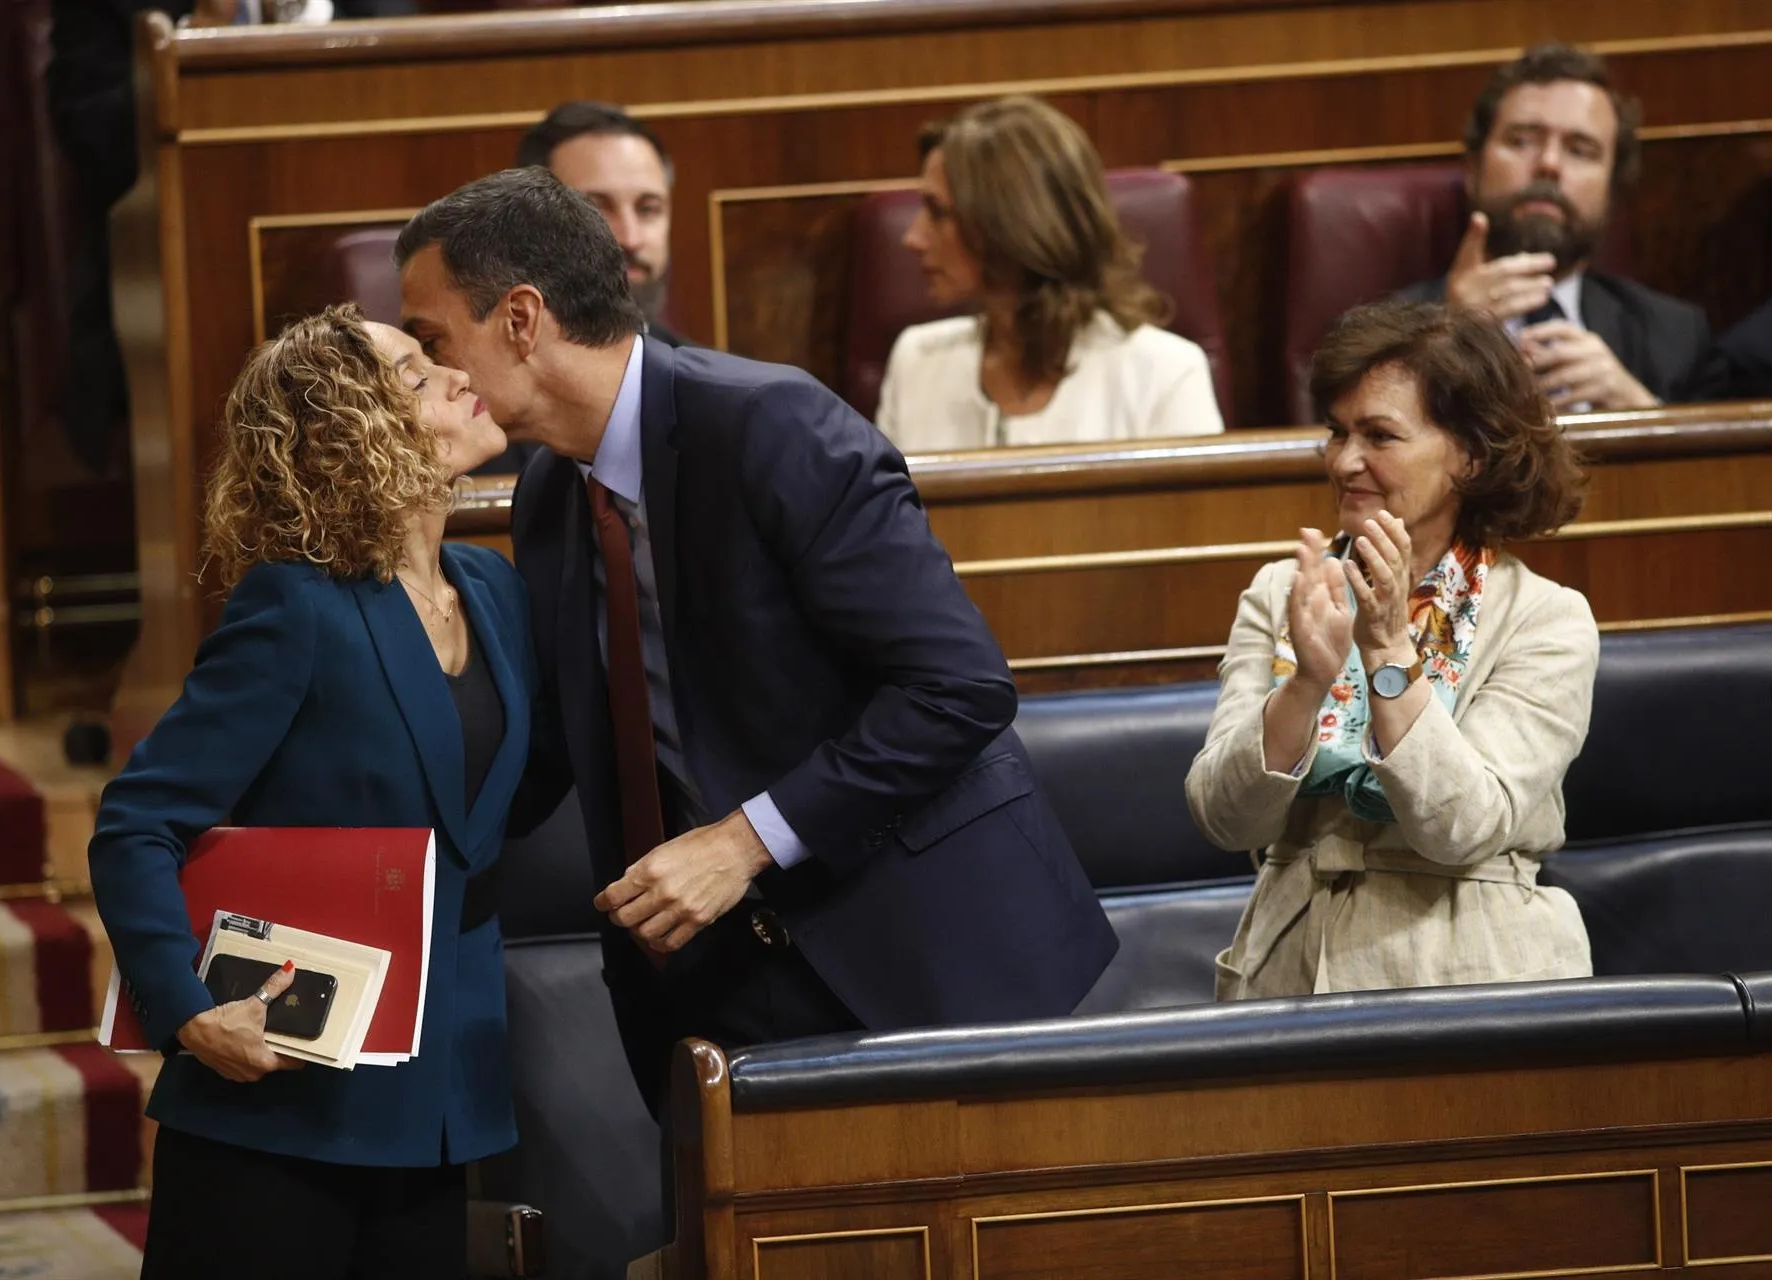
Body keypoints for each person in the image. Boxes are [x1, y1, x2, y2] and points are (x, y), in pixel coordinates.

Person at [394, 168, 1118, 1115]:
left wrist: (743, 843)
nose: (431, 377)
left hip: (926, 957)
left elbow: (957, 688)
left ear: (521, 320)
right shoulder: (547, 499)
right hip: (715, 989)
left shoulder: (771, 425)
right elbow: (557, 748)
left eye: (432, 341)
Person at [88, 304, 524, 1277]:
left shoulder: (494, 591)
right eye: (416, 376)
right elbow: (137, 822)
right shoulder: (297, 606)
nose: (459, 376)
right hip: (280, 1106)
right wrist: (188, 1010)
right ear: (347, 438)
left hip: (439, 1097)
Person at [1186, 300, 1596, 1000]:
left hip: (1474, 974)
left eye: (1379, 435)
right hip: (1287, 976)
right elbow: (1224, 819)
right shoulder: (1284, 591)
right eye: (1336, 432)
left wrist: (1386, 650)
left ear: (1470, 456)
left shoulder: (1546, 619)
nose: (1346, 461)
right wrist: (1305, 685)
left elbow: (1463, 827)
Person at [46, 0, 416, 473]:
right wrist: (191, 46)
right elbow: (90, 138)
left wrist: (311, 21)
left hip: (361, 221)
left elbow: (417, 56)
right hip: (172, 282)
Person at [875, 96, 1223, 451]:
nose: (913, 238)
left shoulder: (1166, 375)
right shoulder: (916, 361)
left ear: (1011, 224)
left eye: (937, 212)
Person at [1395, 43, 1719, 411]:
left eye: (1580, 150)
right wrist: (1445, 345)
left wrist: (1640, 414)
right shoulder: (1388, 334)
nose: (1548, 163)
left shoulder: (1674, 336)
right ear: (1473, 169)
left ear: (1612, 190)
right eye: (1521, 141)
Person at [516, 101, 687, 346]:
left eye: (647, 209)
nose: (630, 239)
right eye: (595, 209)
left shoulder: (708, 370)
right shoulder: (471, 367)